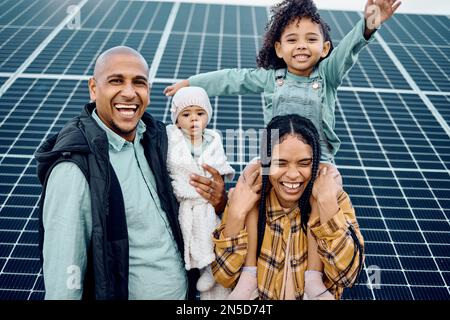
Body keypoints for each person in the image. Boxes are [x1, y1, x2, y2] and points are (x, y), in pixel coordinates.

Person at [164, 0, 400, 299]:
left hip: (318, 162)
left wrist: (369, 24)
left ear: (325, 48)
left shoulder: (326, 76)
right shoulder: (271, 79)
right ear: (278, 49)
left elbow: (350, 49)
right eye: (292, 40)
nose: (301, 46)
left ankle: (313, 278)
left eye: (311, 39)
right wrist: (191, 83)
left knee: (321, 204)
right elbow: (232, 79)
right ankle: (249, 274)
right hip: (270, 159)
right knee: (249, 191)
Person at [34, 46, 226, 300]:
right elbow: (64, 278)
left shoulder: (159, 141)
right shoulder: (74, 167)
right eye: (116, 81)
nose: (129, 92)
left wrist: (219, 200)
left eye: (139, 83)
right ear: (93, 88)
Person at [212, 114, 364, 300]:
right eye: (280, 163)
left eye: (304, 163)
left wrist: (328, 208)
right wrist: (236, 214)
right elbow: (224, 276)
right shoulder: (245, 200)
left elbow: (348, 276)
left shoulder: (334, 200)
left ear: (315, 163)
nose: (293, 174)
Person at [166, 86, 234, 300]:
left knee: (210, 230)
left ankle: (210, 267)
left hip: (204, 202)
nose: (193, 119)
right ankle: (198, 265)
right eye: (186, 115)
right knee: (187, 232)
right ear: (177, 120)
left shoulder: (213, 139)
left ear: (208, 116)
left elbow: (219, 167)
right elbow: (172, 166)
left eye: (200, 113)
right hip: (186, 198)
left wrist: (218, 180)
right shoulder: (172, 138)